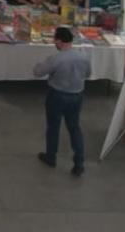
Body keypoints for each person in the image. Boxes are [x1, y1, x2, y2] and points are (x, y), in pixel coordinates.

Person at [33, 26, 91, 176]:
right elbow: (88, 74)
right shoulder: (83, 57)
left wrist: (38, 65)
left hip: (57, 95)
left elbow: (38, 72)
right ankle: (79, 163)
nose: (54, 43)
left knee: (53, 127)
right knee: (74, 128)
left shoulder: (56, 58)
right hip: (77, 95)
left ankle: (51, 157)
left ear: (59, 41)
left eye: (55, 40)